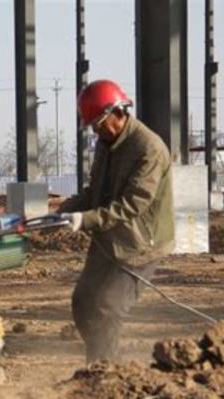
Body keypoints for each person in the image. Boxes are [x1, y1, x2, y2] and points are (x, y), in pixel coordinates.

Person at [59, 80, 175, 362]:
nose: (96, 130)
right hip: (109, 238)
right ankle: (101, 358)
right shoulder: (105, 144)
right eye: (93, 126)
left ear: (118, 111)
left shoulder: (149, 149)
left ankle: (103, 371)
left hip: (139, 245)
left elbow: (132, 204)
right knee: (84, 302)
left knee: (108, 307)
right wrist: (66, 210)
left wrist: (84, 220)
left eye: (99, 123)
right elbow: (95, 191)